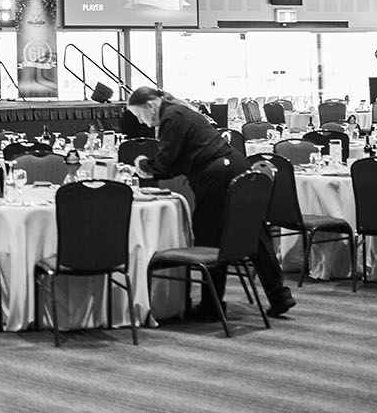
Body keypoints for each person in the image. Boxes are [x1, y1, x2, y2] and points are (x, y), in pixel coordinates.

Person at [125, 86, 296, 319]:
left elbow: (167, 161)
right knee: (253, 231)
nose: (141, 122)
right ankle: (279, 295)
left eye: (138, 114)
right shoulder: (180, 112)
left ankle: (211, 305)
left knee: (210, 236)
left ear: (150, 106)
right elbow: (178, 160)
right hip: (236, 165)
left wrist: (144, 166)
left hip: (216, 174)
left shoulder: (171, 118)